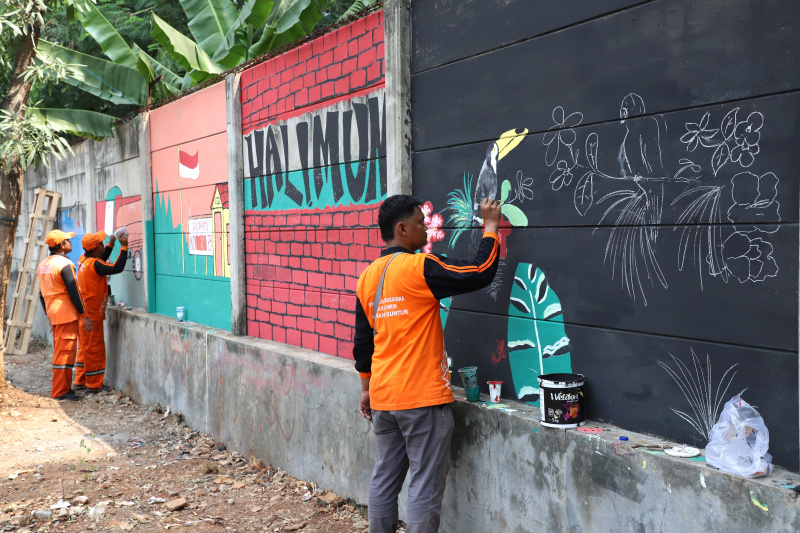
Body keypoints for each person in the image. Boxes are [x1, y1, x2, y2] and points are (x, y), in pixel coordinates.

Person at [353, 195, 502, 533]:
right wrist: (490, 226)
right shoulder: (419, 267)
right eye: (421, 223)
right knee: (424, 485)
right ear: (402, 229)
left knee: (384, 479)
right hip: (421, 399)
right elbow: (478, 272)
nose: (427, 227)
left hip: (383, 399)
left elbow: (364, 344)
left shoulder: (367, 278)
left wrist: (366, 389)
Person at [38, 229, 93, 401]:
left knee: (61, 351)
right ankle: (61, 391)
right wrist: (84, 314)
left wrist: (48, 314)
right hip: (65, 313)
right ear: (62, 245)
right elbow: (74, 292)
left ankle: (63, 388)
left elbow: (41, 294)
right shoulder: (64, 264)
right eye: (68, 240)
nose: (70, 242)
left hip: (53, 312)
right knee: (65, 352)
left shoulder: (44, 264)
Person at [74, 231, 128, 393]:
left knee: (85, 348)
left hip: (85, 313)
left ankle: (80, 380)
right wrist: (123, 247)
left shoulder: (83, 260)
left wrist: (111, 244)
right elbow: (116, 268)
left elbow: (100, 261)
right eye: (101, 243)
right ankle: (94, 384)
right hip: (92, 314)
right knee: (95, 349)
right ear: (97, 246)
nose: (103, 244)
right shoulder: (94, 265)